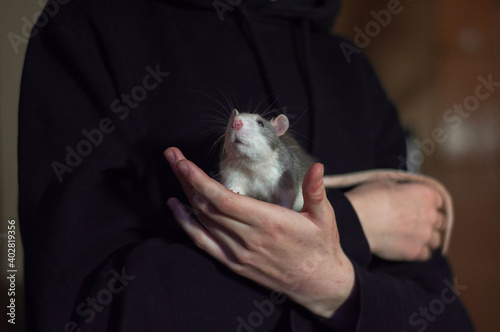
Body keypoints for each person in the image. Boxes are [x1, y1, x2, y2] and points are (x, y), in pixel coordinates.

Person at [18, 0, 474, 330]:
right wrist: (357, 227)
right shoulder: (90, 26)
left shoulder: (351, 69)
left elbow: (446, 317)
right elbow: (76, 311)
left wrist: (342, 292)